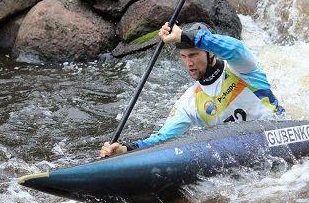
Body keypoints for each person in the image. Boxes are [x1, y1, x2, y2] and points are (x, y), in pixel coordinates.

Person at [100, 22, 284, 157]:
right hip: (244, 152)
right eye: (183, 56)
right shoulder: (189, 102)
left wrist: (184, 36)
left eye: (194, 55)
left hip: (278, 134)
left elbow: (235, 48)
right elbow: (162, 139)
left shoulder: (241, 68)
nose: (189, 63)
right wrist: (126, 149)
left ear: (210, 52)